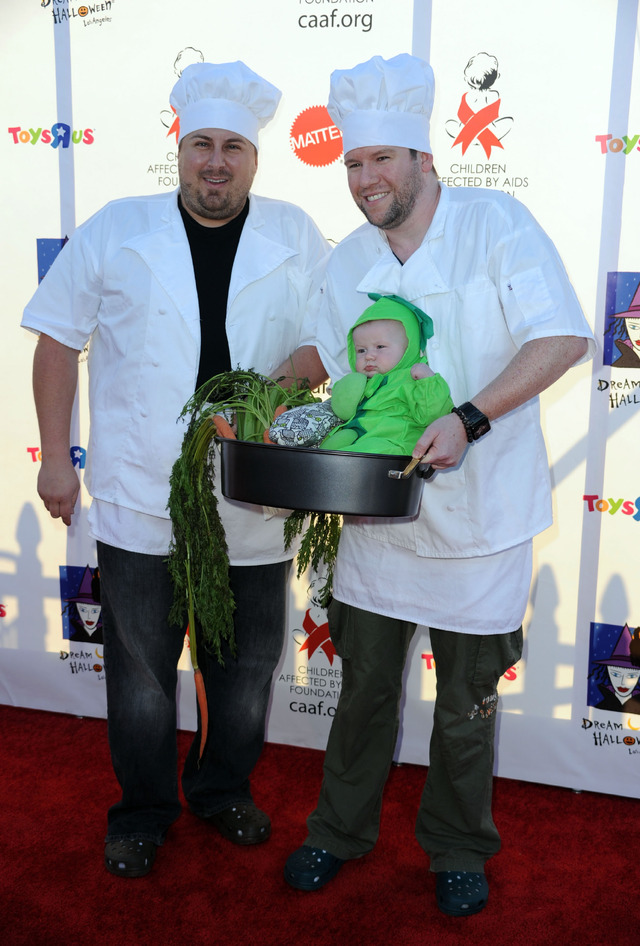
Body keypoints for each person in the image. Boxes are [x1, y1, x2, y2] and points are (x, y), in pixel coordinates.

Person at [283, 53, 595, 917]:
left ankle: (458, 845)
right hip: (378, 523)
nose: (364, 178)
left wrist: (471, 417)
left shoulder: (498, 223)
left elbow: (561, 337)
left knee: (465, 705)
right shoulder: (348, 258)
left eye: (382, 158)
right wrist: (265, 394)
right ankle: (338, 831)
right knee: (365, 692)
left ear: (426, 160)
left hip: (483, 520)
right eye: (352, 162)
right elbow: (319, 350)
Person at [22, 60, 329, 878]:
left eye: (234, 146)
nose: (216, 162)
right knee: (144, 676)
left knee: (247, 670)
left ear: (256, 158)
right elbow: (57, 340)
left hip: (255, 494)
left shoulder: (296, 233)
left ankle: (223, 788)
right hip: (137, 490)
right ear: (179, 149)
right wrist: (56, 457)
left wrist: (266, 397)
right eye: (202, 144)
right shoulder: (116, 227)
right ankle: (144, 809)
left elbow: (322, 344)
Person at [320, 293, 453, 454]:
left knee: (369, 451)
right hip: (364, 436)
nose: (369, 356)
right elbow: (345, 411)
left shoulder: (411, 378)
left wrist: (428, 382)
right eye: (361, 350)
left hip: (396, 443)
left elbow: (433, 415)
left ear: (408, 349)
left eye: (380, 347)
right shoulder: (365, 383)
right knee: (329, 448)